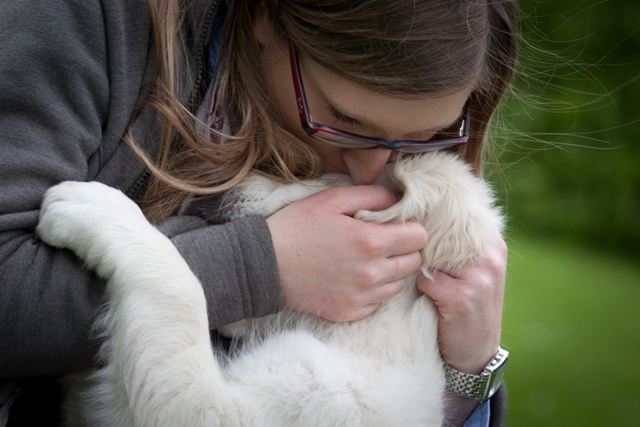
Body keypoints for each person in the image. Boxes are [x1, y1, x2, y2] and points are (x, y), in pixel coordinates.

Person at [0, 0, 516, 426]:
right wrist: (261, 265)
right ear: (266, 15)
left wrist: (467, 376)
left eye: (423, 138)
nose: (373, 169)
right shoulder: (89, 19)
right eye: (342, 118)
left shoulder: (421, 179)